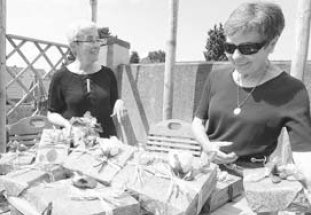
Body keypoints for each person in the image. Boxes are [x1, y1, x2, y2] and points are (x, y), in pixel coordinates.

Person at [192, 0, 311, 193]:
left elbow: (305, 154)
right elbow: (197, 123)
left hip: (256, 183)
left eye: (248, 49)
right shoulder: (216, 77)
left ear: (272, 44)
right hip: (208, 176)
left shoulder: (292, 91)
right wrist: (207, 146)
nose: (236, 57)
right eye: (230, 48)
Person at [47, 20, 126, 138]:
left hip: (106, 148)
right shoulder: (60, 77)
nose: (96, 45)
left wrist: (119, 102)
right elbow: (52, 113)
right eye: (90, 40)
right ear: (74, 45)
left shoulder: (108, 74)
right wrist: (67, 124)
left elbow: (114, 102)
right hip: (75, 145)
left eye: (97, 40)